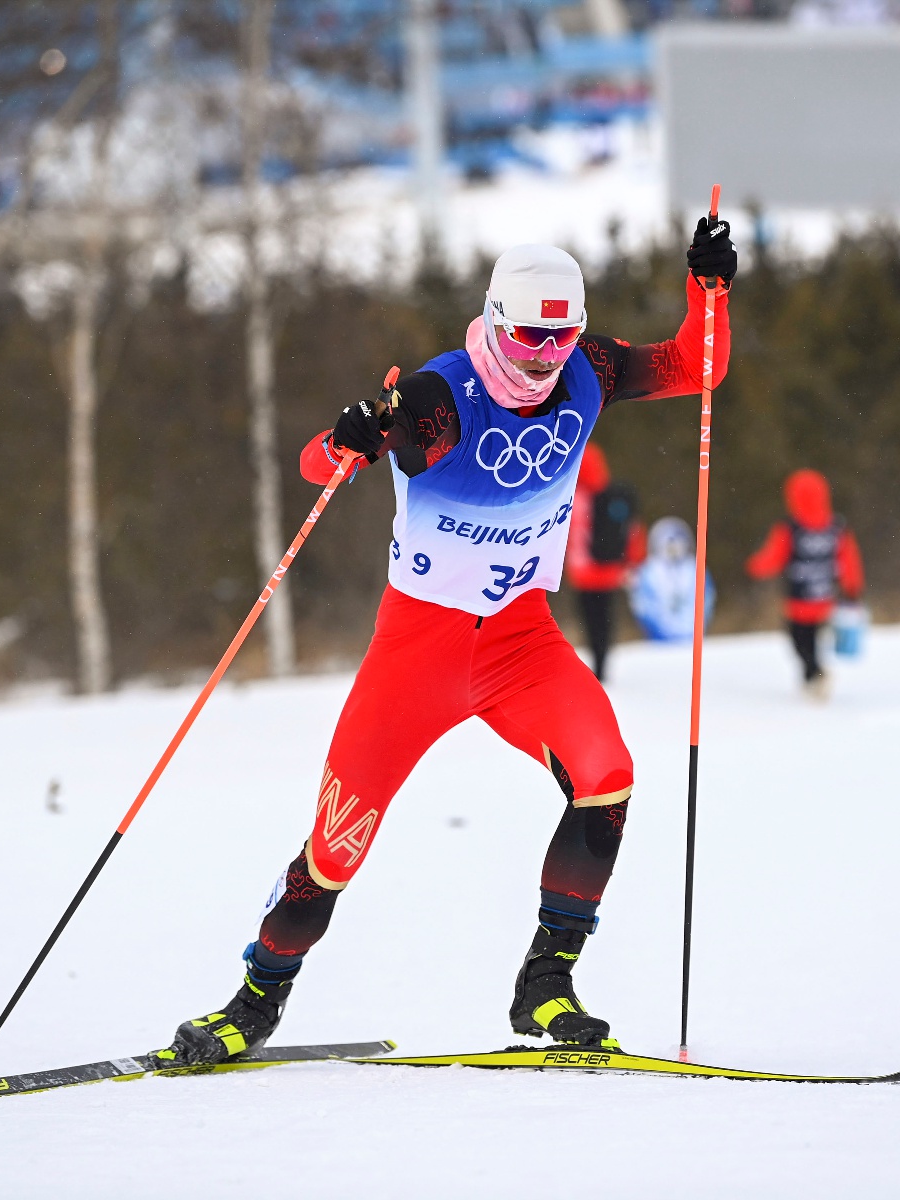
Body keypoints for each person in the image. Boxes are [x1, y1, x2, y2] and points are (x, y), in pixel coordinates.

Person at [157, 221, 737, 1064]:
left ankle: (545, 987)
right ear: (495, 320)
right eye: (528, 334)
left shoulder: (590, 371)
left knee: (607, 777)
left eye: (561, 334)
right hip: (418, 654)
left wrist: (708, 290)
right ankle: (252, 1003)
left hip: (520, 644)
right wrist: (347, 437)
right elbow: (320, 466)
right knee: (334, 846)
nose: (544, 356)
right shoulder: (438, 397)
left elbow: (699, 366)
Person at [745, 469, 863, 700]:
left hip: (799, 601)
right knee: (811, 642)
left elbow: (774, 556)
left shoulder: (790, 528)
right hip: (824, 600)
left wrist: (755, 566)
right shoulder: (836, 528)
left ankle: (814, 676)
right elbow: (850, 559)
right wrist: (853, 587)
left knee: (801, 642)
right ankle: (813, 677)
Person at [565, 443, 645, 681]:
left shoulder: (573, 496)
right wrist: (633, 562)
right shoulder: (610, 496)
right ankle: (601, 668)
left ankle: (598, 669)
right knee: (603, 622)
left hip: (583, 574)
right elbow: (633, 532)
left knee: (591, 622)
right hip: (609, 571)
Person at [627, 516, 715, 641]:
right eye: (669, 547)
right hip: (658, 641)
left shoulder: (694, 569)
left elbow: (706, 599)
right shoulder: (650, 571)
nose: (673, 551)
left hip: (690, 636)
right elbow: (643, 605)